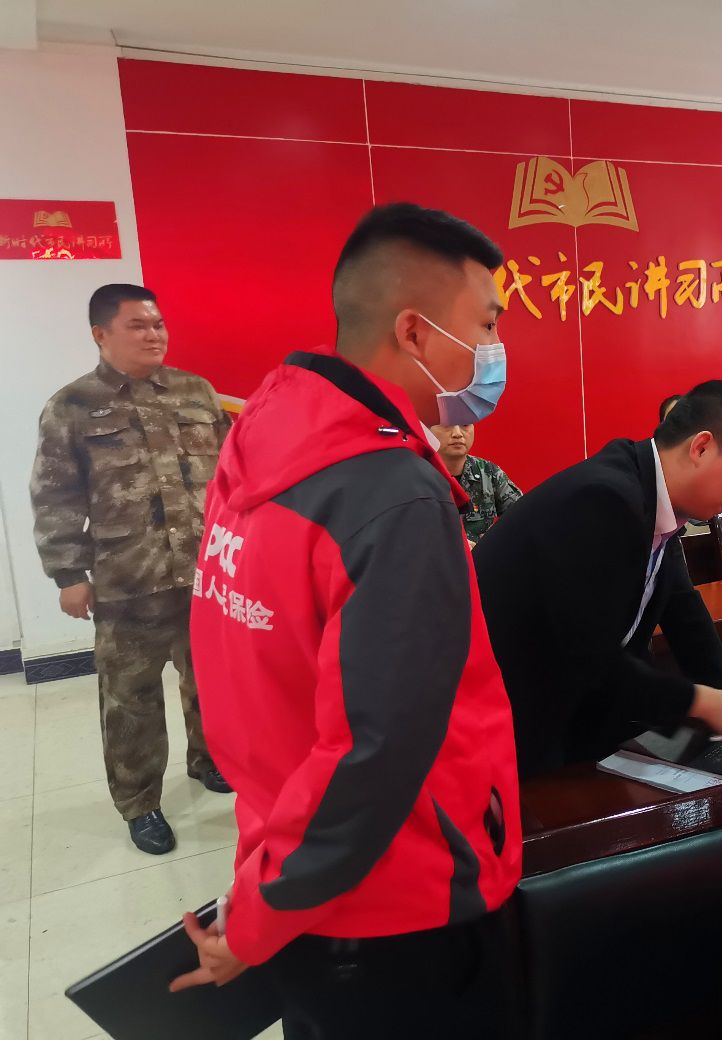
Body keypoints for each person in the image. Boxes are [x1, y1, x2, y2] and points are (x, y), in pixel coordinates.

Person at [171, 203, 522, 1038]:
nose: (494, 350)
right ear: (414, 331)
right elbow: (375, 748)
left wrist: (265, 893)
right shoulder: (391, 494)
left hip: (292, 861)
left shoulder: (264, 444)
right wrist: (261, 915)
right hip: (399, 901)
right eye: (485, 324)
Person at [475, 380, 722, 778]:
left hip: (572, 711)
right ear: (701, 447)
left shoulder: (654, 495)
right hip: (507, 716)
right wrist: (705, 703)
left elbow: (685, 615)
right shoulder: (605, 499)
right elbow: (589, 658)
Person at [29, 283, 231, 856]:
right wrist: (69, 575)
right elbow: (54, 494)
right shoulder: (71, 406)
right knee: (130, 701)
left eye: (158, 324)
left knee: (211, 681)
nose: (154, 334)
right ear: (101, 334)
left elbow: (231, 475)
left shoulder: (196, 391)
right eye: (138, 325)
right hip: (127, 580)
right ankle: (140, 804)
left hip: (204, 573)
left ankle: (209, 759)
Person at [430, 421, 522, 542]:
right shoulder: (416, 475)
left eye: (465, 424)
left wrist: (493, 542)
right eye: (446, 424)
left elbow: (523, 516)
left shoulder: (489, 472)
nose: (457, 434)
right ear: (427, 429)